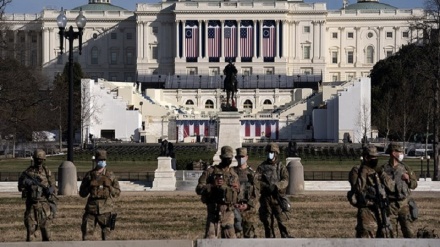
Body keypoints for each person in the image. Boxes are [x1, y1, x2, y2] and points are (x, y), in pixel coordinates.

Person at [349, 145, 395, 238]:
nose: (375, 160)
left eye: (376, 157)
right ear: (366, 157)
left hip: (382, 210)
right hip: (367, 210)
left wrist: (381, 173)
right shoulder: (357, 171)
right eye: (373, 157)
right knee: (367, 237)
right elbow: (358, 188)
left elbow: (391, 187)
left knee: (385, 237)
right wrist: (364, 171)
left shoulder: (378, 170)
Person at [195, 146, 240, 238]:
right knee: (211, 239)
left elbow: (238, 194)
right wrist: (212, 185)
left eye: (229, 158)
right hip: (213, 211)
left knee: (231, 240)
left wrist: (237, 189)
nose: (227, 160)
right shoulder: (210, 172)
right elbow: (199, 189)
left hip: (228, 212)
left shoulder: (234, 174)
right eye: (225, 158)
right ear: (221, 158)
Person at [79, 149, 121, 240]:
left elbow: (117, 193)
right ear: (96, 161)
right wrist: (90, 186)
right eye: (100, 160)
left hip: (106, 210)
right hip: (91, 210)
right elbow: (82, 193)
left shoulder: (110, 175)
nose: (102, 162)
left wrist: (109, 186)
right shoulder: (89, 175)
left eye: (103, 160)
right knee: (87, 237)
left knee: (107, 238)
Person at [18, 149, 57, 242]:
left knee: (47, 234)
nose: (39, 161)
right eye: (37, 159)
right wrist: (27, 184)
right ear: (34, 159)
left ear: (44, 160)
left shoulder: (47, 172)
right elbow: (20, 187)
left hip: (44, 206)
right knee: (30, 233)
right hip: (32, 205)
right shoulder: (27, 172)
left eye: (41, 160)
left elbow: (53, 186)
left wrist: (50, 190)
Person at [380, 143, 418, 238]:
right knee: (390, 234)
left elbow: (414, 185)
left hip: (404, 204)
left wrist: (408, 179)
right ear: (393, 153)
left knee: (410, 233)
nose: (402, 154)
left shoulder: (405, 168)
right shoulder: (383, 169)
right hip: (390, 205)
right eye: (400, 152)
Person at [256, 143, 293, 238]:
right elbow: (256, 181)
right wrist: (265, 187)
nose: (270, 154)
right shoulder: (262, 167)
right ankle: (270, 240)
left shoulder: (281, 166)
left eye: (272, 152)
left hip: (278, 198)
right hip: (266, 199)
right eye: (268, 152)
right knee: (267, 222)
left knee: (282, 221)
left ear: (276, 153)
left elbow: (285, 180)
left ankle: (285, 238)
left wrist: (276, 186)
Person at [233, 148, 259, 238]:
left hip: (249, 211)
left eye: (242, 156)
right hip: (235, 210)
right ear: (236, 158)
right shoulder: (232, 173)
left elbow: (257, 194)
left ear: (247, 157)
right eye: (239, 157)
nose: (241, 159)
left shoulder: (252, 174)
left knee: (251, 240)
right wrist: (234, 204)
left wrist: (248, 205)